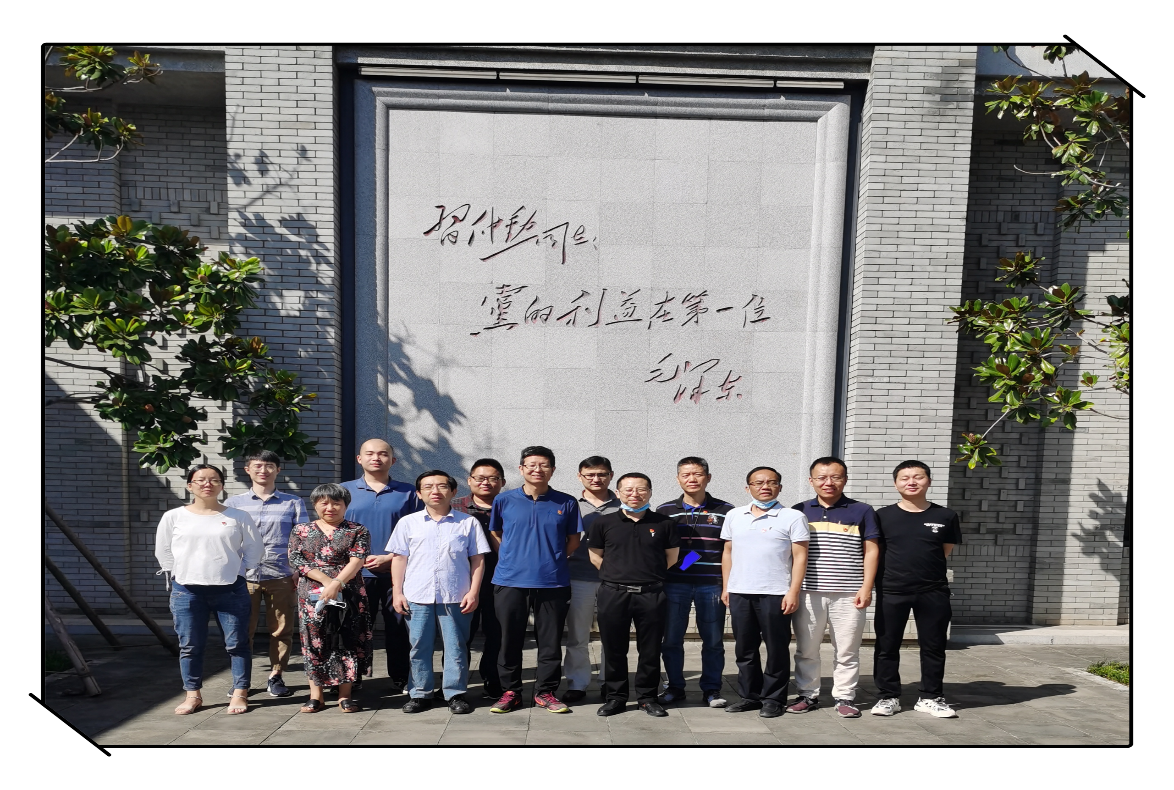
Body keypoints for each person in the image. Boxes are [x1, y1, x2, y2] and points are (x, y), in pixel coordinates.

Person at [155, 464, 262, 715]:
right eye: (201, 480)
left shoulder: (238, 516)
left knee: (237, 644)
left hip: (231, 590)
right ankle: (192, 694)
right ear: (189, 485)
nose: (207, 484)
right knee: (190, 645)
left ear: (222, 486)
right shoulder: (174, 517)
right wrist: (178, 573)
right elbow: (164, 550)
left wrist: (240, 571)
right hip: (187, 591)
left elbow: (254, 548)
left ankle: (240, 692)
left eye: (214, 480)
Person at [488, 446, 583, 714]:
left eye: (543, 465)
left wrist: (552, 558)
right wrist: (512, 557)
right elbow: (496, 533)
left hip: (552, 582)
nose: (537, 469)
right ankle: (510, 692)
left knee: (550, 642)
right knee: (509, 640)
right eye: (531, 465)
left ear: (552, 470)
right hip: (510, 581)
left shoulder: (566, 502)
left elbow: (574, 540)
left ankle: (546, 692)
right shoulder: (504, 500)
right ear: (521, 469)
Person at [389, 470, 491, 714]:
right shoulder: (408, 523)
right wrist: (397, 592)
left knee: (456, 647)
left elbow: (477, 560)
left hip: (456, 595)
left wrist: (474, 592)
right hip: (416, 595)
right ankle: (420, 693)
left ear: (453, 491)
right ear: (419, 493)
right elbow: (399, 559)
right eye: (428, 487)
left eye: (442, 486)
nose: (435, 491)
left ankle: (455, 693)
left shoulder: (467, 522)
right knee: (418, 647)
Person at [787, 456, 880, 718]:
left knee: (847, 649)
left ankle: (845, 697)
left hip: (849, 593)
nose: (829, 482)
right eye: (822, 477)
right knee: (807, 649)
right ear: (811, 480)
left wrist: (866, 587)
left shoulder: (862, 511)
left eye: (835, 477)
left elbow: (871, 551)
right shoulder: (799, 511)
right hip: (808, 591)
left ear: (845, 479)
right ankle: (807, 694)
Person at [871, 460, 962, 719]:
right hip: (892, 590)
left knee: (934, 646)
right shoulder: (882, 516)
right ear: (895, 484)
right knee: (887, 646)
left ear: (929, 481)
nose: (911, 482)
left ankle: (931, 697)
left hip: (933, 591)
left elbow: (943, 551)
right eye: (905, 478)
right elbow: (876, 552)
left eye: (918, 477)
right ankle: (888, 697)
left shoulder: (945, 516)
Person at [720, 466, 809, 718]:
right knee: (745, 648)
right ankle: (750, 696)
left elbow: (800, 557)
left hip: (776, 592)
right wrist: (727, 587)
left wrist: (793, 591)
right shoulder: (734, 515)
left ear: (780, 487)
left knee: (776, 648)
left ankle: (773, 698)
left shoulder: (793, 517)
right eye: (758, 482)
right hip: (740, 591)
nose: (765, 486)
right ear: (748, 487)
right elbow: (727, 552)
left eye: (771, 482)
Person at [589, 473, 680, 717]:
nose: (635, 494)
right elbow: (595, 556)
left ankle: (647, 697)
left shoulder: (664, 523)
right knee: (614, 649)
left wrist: (648, 574)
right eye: (628, 489)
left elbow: (673, 558)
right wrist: (617, 575)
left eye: (641, 489)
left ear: (649, 492)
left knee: (650, 649)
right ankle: (616, 697)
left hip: (652, 594)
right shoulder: (603, 523)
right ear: (618, 493)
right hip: (613, 593)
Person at [223, 450, 310, 698]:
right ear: (247, 469)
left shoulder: (293, 502)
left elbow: (302, 539)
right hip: (242, 577)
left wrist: (298, 570)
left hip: (282, 575)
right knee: (242, 631)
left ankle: (276, 676)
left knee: (281, 630)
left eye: (269, 466)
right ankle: (241, 680)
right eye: (258, 465)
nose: (263, 470)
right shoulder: (233, 504)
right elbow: (225, 538)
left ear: (278, 470)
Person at [340, 439, 422, 694]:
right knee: (352, 627)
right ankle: (351, 678)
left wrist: (390, 557)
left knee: (399, 627)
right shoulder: (343, 490)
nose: (376, 458)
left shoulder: (409, 493)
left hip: (397, 573)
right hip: (353, 574)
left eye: (383, 454)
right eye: (370, 453)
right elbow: (334, 530)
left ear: (392, 460)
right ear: (359, 459)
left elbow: (419, 532)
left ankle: (402, 677)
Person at [656, 456, 734, 708]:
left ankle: (712, 689)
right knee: (671, 639)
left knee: (713, 640)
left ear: (708, 478)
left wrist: (728, 585)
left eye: (698, 474)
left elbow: (732, 550)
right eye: (686, 474)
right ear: (678, 478)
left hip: (711, 584)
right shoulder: (665, 511)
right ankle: (675, 687)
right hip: (674, 584)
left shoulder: (726, 511)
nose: (692, 479)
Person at [289, 483, 373, 713]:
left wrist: (337, 583)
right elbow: (297, 560)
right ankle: (316, 695)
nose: (330, 507)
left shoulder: (357, 530)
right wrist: (327, 582)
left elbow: (357, 560)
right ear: (315, 505)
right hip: (312, 591)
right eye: (324, 503)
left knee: (346, 637)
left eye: (336, 503)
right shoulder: (301, 530)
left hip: (349, 589)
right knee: (314, 639)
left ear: (345, 505)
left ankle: (345, 695)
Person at [565, 455, 621, 703]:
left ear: (610, 476)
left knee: (613, 635)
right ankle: (577, 683)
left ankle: (610, 682)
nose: (596, 479)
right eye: (590, 475)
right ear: (580, 477)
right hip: (579, 577)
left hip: (615, 579)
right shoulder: (571, 506)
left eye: (601, 474)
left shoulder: (623, 505)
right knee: (578, 635)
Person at [452, 458, 506, 699]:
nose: (486, 483)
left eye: (493, 478)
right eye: (480, 478)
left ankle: (493, 679)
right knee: (459, 636)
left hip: (501, 581)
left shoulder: (510, 506)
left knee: (498, 634)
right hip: (462, 581)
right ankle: (455, 683)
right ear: (469, 480)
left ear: (502, 482)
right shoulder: (454, 507)